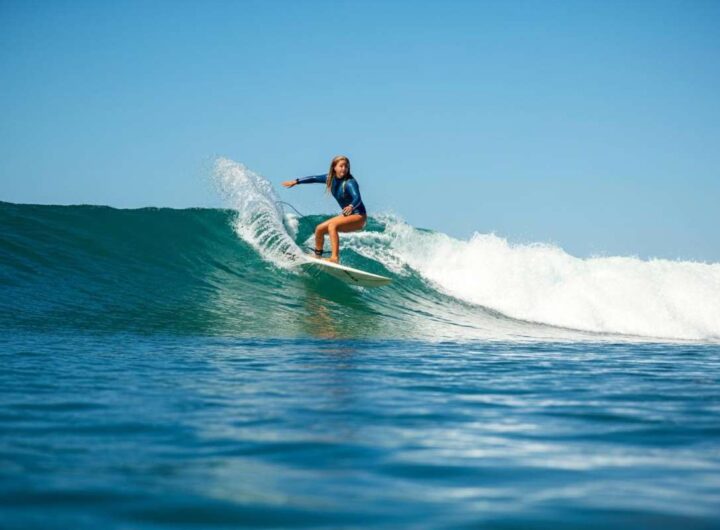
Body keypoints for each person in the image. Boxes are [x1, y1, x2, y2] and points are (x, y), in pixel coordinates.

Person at [282, 155, 366, 263]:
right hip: (347, 215)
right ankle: (317, 256)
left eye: (346, 166)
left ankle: (334, 258)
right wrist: (296, 181)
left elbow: (357, 198)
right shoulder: (330, 178)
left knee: (332, 225)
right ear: (334, 167)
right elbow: (314, 178)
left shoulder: (350, 182)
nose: (344, 168)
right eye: (341, 166)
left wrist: (351, 206)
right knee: (319, 229)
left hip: (359, 216)